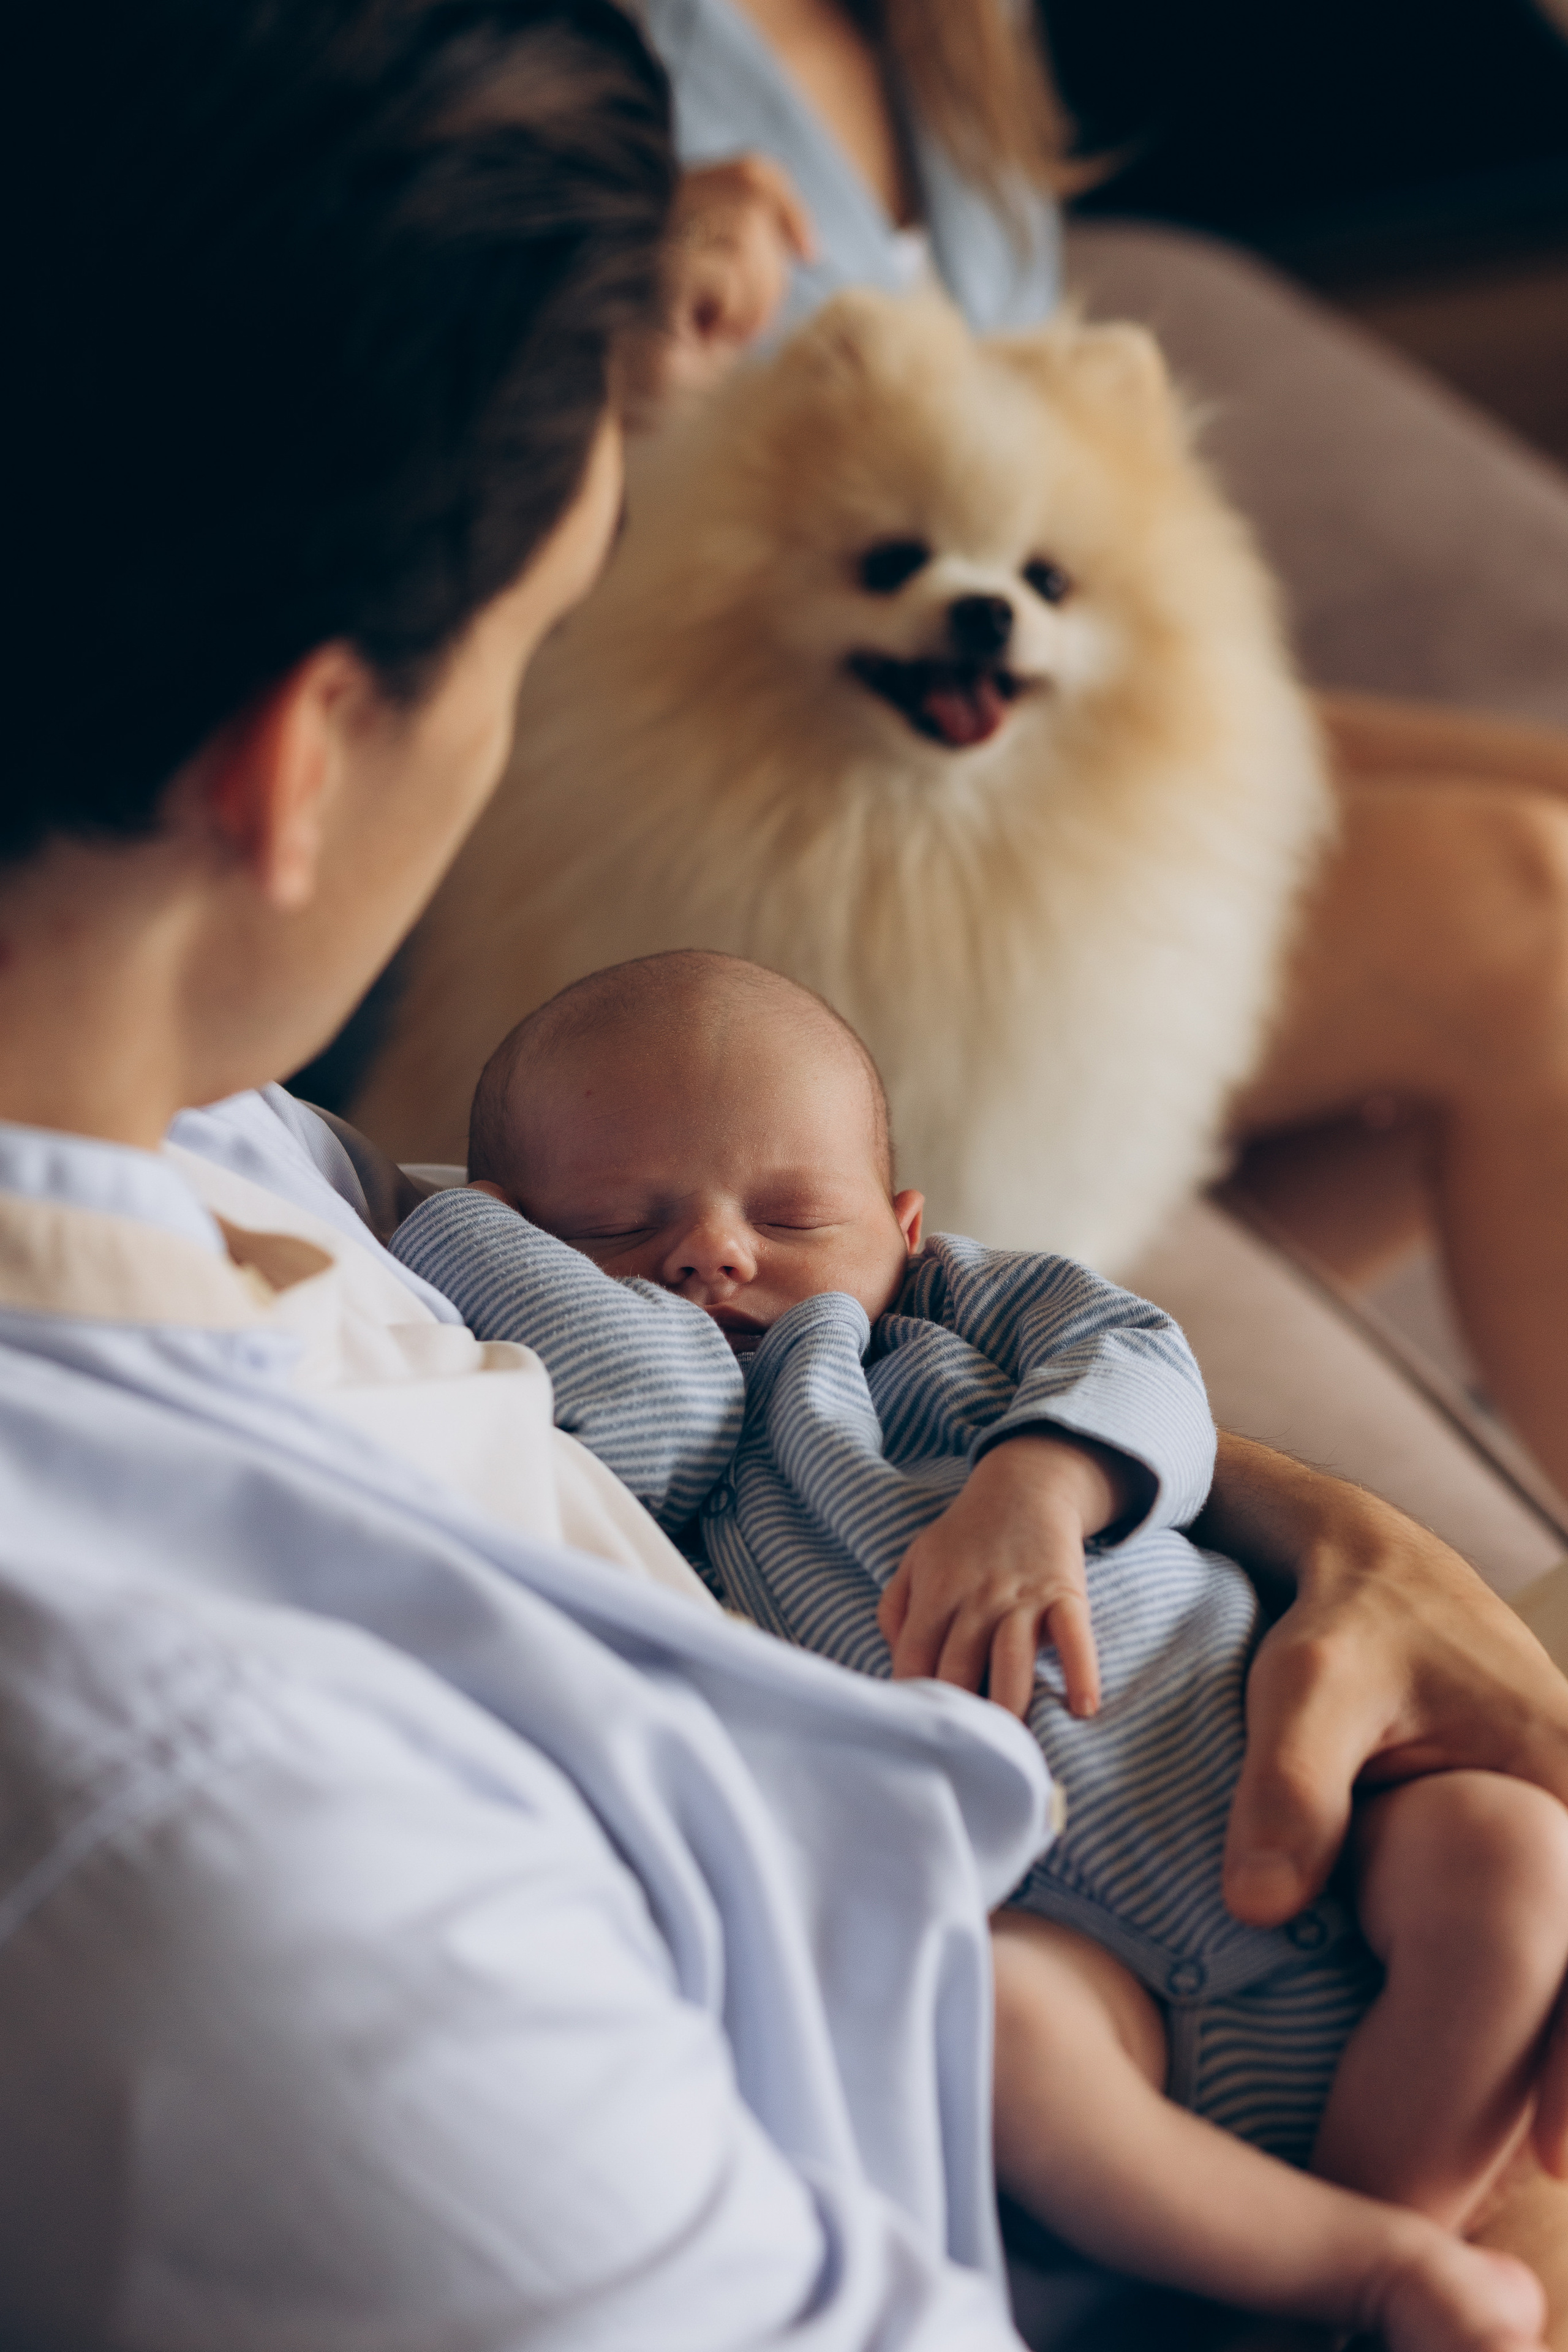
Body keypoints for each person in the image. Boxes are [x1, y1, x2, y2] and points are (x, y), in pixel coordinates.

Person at [5, 0, 1568, 2344]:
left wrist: (1293, 1514)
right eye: (536, 648)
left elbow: (762, 1318)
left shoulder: (205, 1133)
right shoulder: (255, 1868)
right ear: (301, 757)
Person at [391, 946, 1568, 2348]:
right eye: (617, 1223)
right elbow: (648, 1414)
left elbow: (1141, 1358)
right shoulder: (684, 1465)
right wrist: (485, 1230)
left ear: (905, 1228)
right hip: (1067, 1970)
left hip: (1306, 1824)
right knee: (999, 2034)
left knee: (1510, 1857)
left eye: (792, 1213)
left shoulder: (970, 1328)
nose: (713, 1249)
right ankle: (1355, 2279)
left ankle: (1385, 2224)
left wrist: (1039, 1487)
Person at [631, 0, 1568, 1506]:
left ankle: (1107, 1330)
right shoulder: (593, 67)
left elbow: (1145, 689)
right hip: (793, 900)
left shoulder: (942, 69)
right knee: (1523, 906)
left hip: (1014, 840)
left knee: (1522, 865)